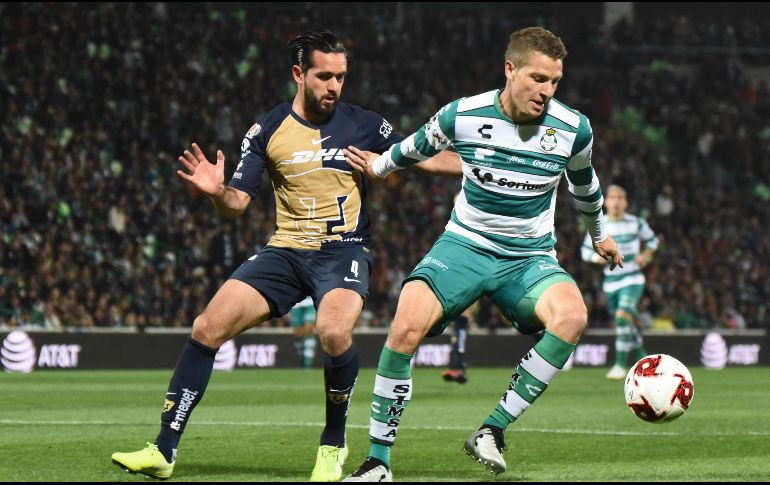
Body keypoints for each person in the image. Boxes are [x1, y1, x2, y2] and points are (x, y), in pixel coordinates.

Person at [111, 30, 459, 482]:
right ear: (299, 74)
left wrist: (487, 163)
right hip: (286, 250)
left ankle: (333, 445)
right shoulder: (267, 129)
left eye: (341, 77)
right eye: (324, 76)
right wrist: (217, 192)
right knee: (206, 327)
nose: (334, 86)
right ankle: (163, 450)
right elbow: (237, 204)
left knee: (333, 331)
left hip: (344, 251)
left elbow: (425, 156)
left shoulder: (367, 124)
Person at [341, 27, 623, 481]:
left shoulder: (573, 128)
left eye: (555, 82)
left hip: (530, 257)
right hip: (465, 246)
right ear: (510, 70)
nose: (547, 92)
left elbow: (585, 184)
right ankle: (378, 463)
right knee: (405, 328)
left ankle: (493, 429)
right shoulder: (462, 115)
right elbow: (413, 147)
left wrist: (599, 235)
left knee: (572, 317)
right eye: (538, 78)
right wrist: (377, 166)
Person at [581, 185, 659, 380]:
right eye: (612, 197)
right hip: (611, 283)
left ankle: (620, 365)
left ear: (626, 202)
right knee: (624, 323)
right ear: (606, 201)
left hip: (632, 279)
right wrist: (595, 258)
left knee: (623, 317)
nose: (616, 201)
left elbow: (653, 241)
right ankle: (643, 357)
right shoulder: (599, 225)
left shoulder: (636, 223)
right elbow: (584, 251)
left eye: (620, 197)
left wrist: (646, 257)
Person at [441, 306, 474, 384]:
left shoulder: (463, 312)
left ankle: (461, 370)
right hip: (457, 331)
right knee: (456, 349)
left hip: (461, 331)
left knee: (460, 349)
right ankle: (457, 369)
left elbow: (467, 318)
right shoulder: (461, 312)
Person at [290, 296, 318, 369]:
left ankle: (307, 365)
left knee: (308, 329)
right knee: (297, 334)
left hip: (310, 301)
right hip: (296, 303)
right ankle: (301, 358)